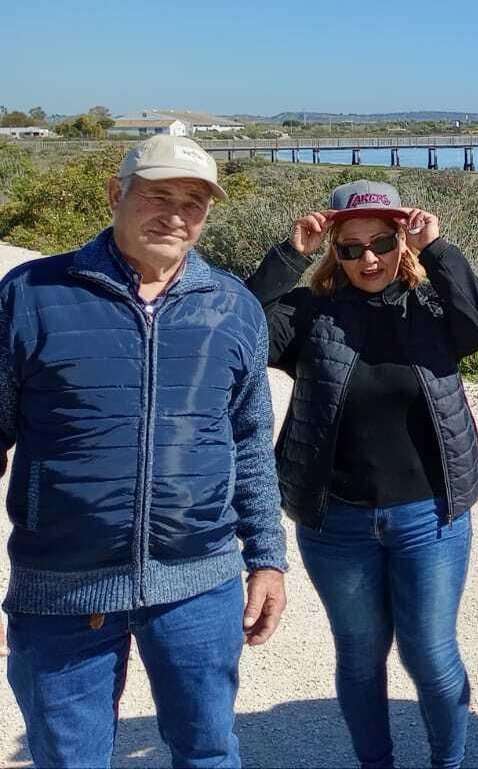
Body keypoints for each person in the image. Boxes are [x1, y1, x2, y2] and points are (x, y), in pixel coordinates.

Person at [0, 135, 288, 768]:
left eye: (194, 202)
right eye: (158, 196)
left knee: (208, 754)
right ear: (115, 195)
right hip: (63, 588)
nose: (176, 215)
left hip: (200, 586)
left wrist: (268, 559)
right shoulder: (31, 295)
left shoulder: (234, 307)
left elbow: (249, 446)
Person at [245, 180, 478, 769]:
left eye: (383, 242)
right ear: (333, 250)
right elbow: (237, 332)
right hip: (336, 521)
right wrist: (288, 256)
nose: (369, 259)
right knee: (360, 656)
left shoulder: (432, 308)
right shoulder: (309, 312)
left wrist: (439, 250)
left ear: (402, 242)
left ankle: (448, 762)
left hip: (429, 515)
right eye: (351, 247)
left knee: (431, 655)